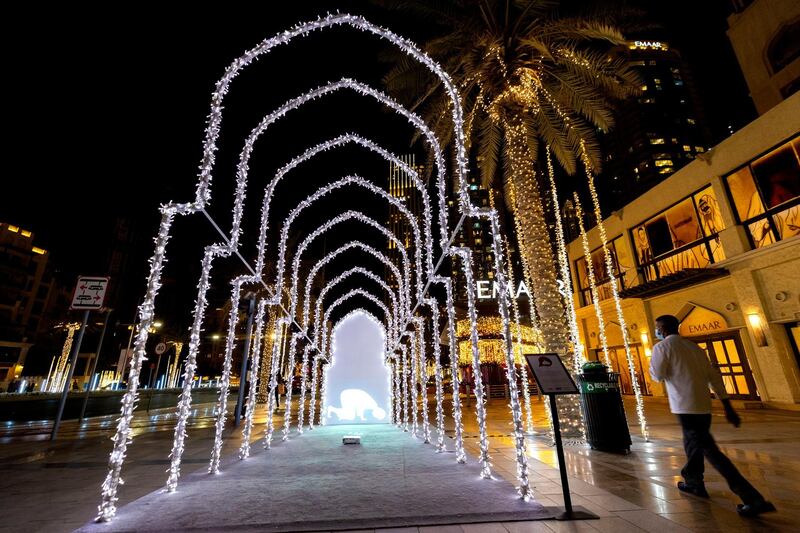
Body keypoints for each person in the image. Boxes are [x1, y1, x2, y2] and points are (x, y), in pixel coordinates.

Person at [649, 315, 776, 518]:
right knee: (693, 443)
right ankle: (693, 482)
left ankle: (752, 498)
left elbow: (657, 375)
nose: (656, 331)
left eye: (657, 328)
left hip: (684, 406)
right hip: (703, 406)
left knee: (710, 451)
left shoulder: (662, 348)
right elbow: (713, 377)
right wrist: (727, 405)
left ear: (662, 329)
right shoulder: (694, 348)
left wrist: (655, 365)